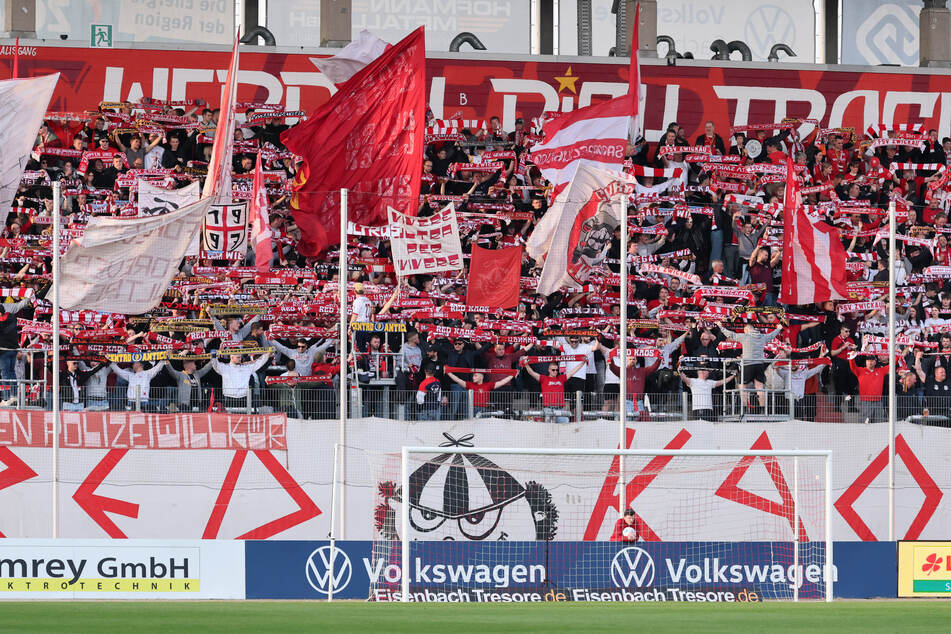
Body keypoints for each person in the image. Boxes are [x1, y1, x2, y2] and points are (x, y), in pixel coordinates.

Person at [445, 369, 515, 416]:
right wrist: (448, 372)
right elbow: (458, 380)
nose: (473, 377)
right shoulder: (470, 385)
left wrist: (512, 375)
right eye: (473, 375)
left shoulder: (488, 385)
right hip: (472, 409)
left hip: (484, 409)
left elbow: (501, 382)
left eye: (475, 375)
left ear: (481, 377)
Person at [848, 353, 889, 423]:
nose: (870, 362)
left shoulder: (880, 371)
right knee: (865, 423)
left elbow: (892, 365)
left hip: (878, 401)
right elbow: (853, 367)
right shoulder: (860, 371)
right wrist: (851, 357)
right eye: (868, 360)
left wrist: (897, 355)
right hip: (865, 401)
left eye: (872, 361)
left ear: (875, 362)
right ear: (866, 362)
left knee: (878, 423)